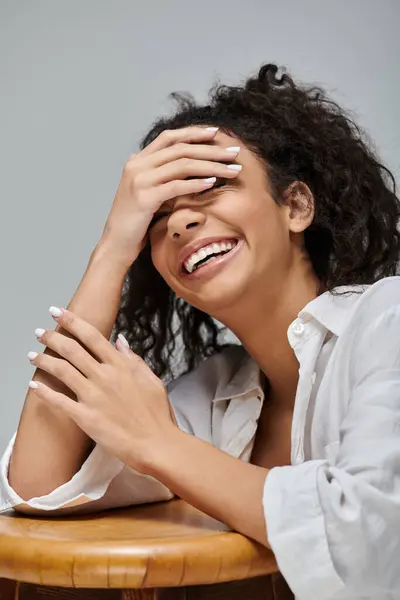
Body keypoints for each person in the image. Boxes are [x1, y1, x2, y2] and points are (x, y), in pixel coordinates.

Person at [1, 62, 399, 600]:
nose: (181, 223)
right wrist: (114, 244)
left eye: (212, 189)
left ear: (296, 206)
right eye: (157, 221)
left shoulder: (389, 320)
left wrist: (157, 442)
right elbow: (36, 486)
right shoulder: (219, 392)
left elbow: (366, 545)